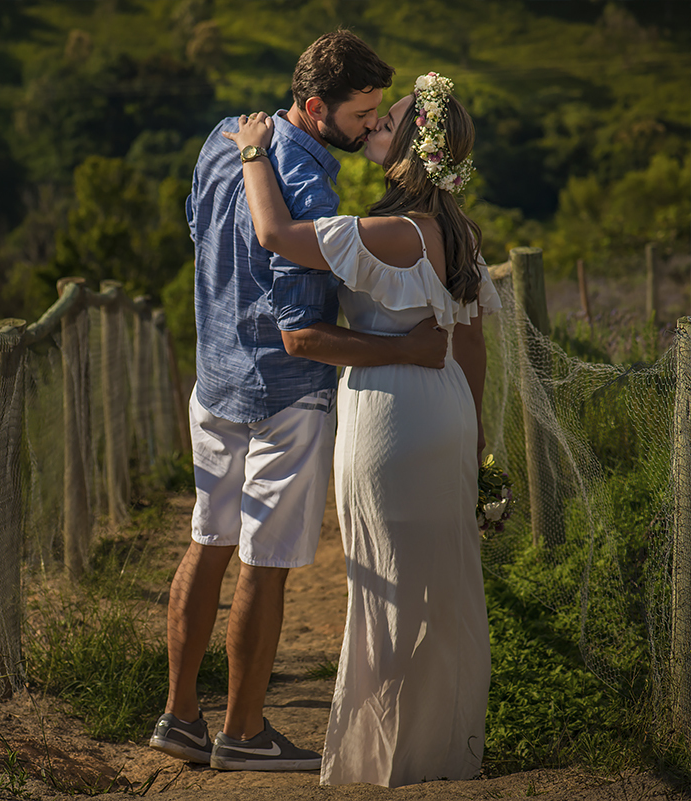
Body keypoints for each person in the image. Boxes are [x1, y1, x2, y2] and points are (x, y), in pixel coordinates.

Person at [148, 30, 450, 773]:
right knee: (267, 560)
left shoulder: (225, 138)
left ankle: (180, 716)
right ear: (316, 106)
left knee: (207, 541)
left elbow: (198, 230)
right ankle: (244, 732)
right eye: (362, 114)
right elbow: (301, 332)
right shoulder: (307, 183)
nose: (372, 127)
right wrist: (402, 351)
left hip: (213, 377)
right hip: (281, 399)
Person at [222, 71, 499, 786]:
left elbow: (274, 233)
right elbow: (470, 345)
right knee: (441, 586)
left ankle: (386, 761)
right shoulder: (458, 232)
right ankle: (445, 750)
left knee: (388, 592)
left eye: (389, 122)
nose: (373, 127)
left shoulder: (388, 233)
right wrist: (475, 446)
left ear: (409, 147)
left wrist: (253, 152)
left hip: (389, 417)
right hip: (446, 413)